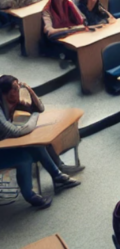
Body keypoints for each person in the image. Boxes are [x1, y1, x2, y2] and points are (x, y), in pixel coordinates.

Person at [0, 75, 81, 210]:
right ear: (4, 92)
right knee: (24, 158)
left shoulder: (11, 101)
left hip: (4, 145)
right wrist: (34, 116)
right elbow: (17, 131)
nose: (18, 90)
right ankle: (30, 196)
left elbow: (40, 108)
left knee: (37, 145)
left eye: (18, 86)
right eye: (15, 88)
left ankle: (58, 177)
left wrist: (30, 92)